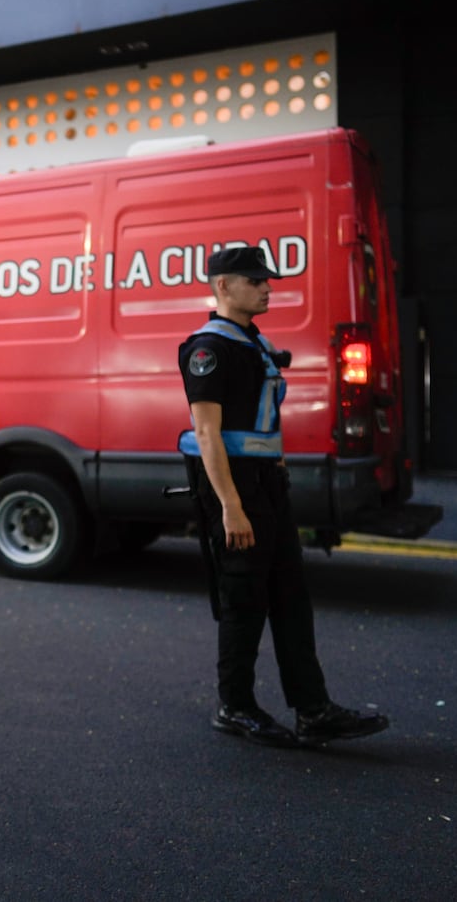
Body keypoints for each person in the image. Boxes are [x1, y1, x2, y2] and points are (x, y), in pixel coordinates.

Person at [177, 245, 389, 748]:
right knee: (244, 601)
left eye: (266, 280)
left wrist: (277, 474)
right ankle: (235, 706)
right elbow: (207, 435)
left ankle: (313, 710)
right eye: (255, 280)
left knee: (291, 599)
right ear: (223, 286)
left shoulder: (252, 344)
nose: (266, 287)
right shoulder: (208, 349)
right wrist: (231, 506)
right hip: (235, 487)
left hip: (267, 484)